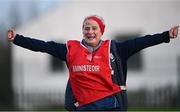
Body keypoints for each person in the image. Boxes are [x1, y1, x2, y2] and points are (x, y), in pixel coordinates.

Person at [7, 15, 179, 111]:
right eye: (86, 28)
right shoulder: (70, 49)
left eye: (94, 28)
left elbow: (143, 41)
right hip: (83, 108)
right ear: (82, 30)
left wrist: (165, 36)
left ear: (101, 31)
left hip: (110, 106)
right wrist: (17, 39)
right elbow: (42, 46)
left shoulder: (115, 48)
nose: (90, 32)